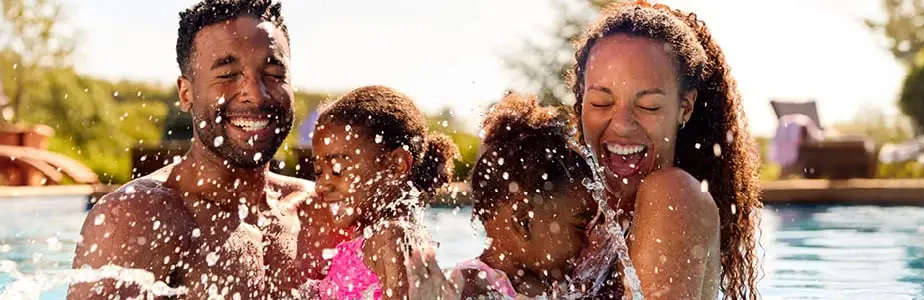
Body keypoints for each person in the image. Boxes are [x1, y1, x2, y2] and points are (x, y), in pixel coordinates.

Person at [68, 1, 312, 298]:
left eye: (273, 73)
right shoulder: (140, 217)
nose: (255, 93)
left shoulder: (319, 209)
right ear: (186, 93)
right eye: (227, 74)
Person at [567, 1, 762, 299]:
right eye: (600, 102)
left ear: (684, 107)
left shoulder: (673, 194)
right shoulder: (584, 208)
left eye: (648, 106)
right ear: (581, 99)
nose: (622, 124)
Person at [295, 85, 458, 300]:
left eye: (337, 170)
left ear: (396, 165)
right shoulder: (376, 238)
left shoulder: (390, 238)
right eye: (318, 171)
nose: (321, 186)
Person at [454, 93, 596, 299]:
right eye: (581, 226)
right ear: (524, 220)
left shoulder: (552, 284)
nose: (588, 241)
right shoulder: (473, 283)